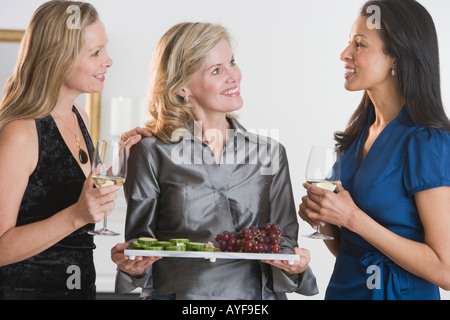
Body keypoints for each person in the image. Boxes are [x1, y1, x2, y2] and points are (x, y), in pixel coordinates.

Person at [111, 22, 318, 300]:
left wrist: (296, 266)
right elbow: (140, 245)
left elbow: (283, 241)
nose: (233, 76)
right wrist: (133, 268)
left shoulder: (270, 152)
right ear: (183, 86)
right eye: (217, 70)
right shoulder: (151, 151)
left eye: (232, 62)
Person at [299, 0, 450, 300]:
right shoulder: (357, 136)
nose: (345, 54)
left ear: (397, 57)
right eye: (349, 43)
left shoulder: (426, 142)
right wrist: (327, 221)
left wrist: (353, 218)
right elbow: (352, 248)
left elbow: (445, 271)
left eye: (360, 44)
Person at [0, 1, 145, 299]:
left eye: (105, 49)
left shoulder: (81, 117)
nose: (109, 61)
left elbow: (64, 188)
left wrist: (121, 158)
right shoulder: (20, 132)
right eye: (96, 53)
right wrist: (78, 216)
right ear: (58, 59)